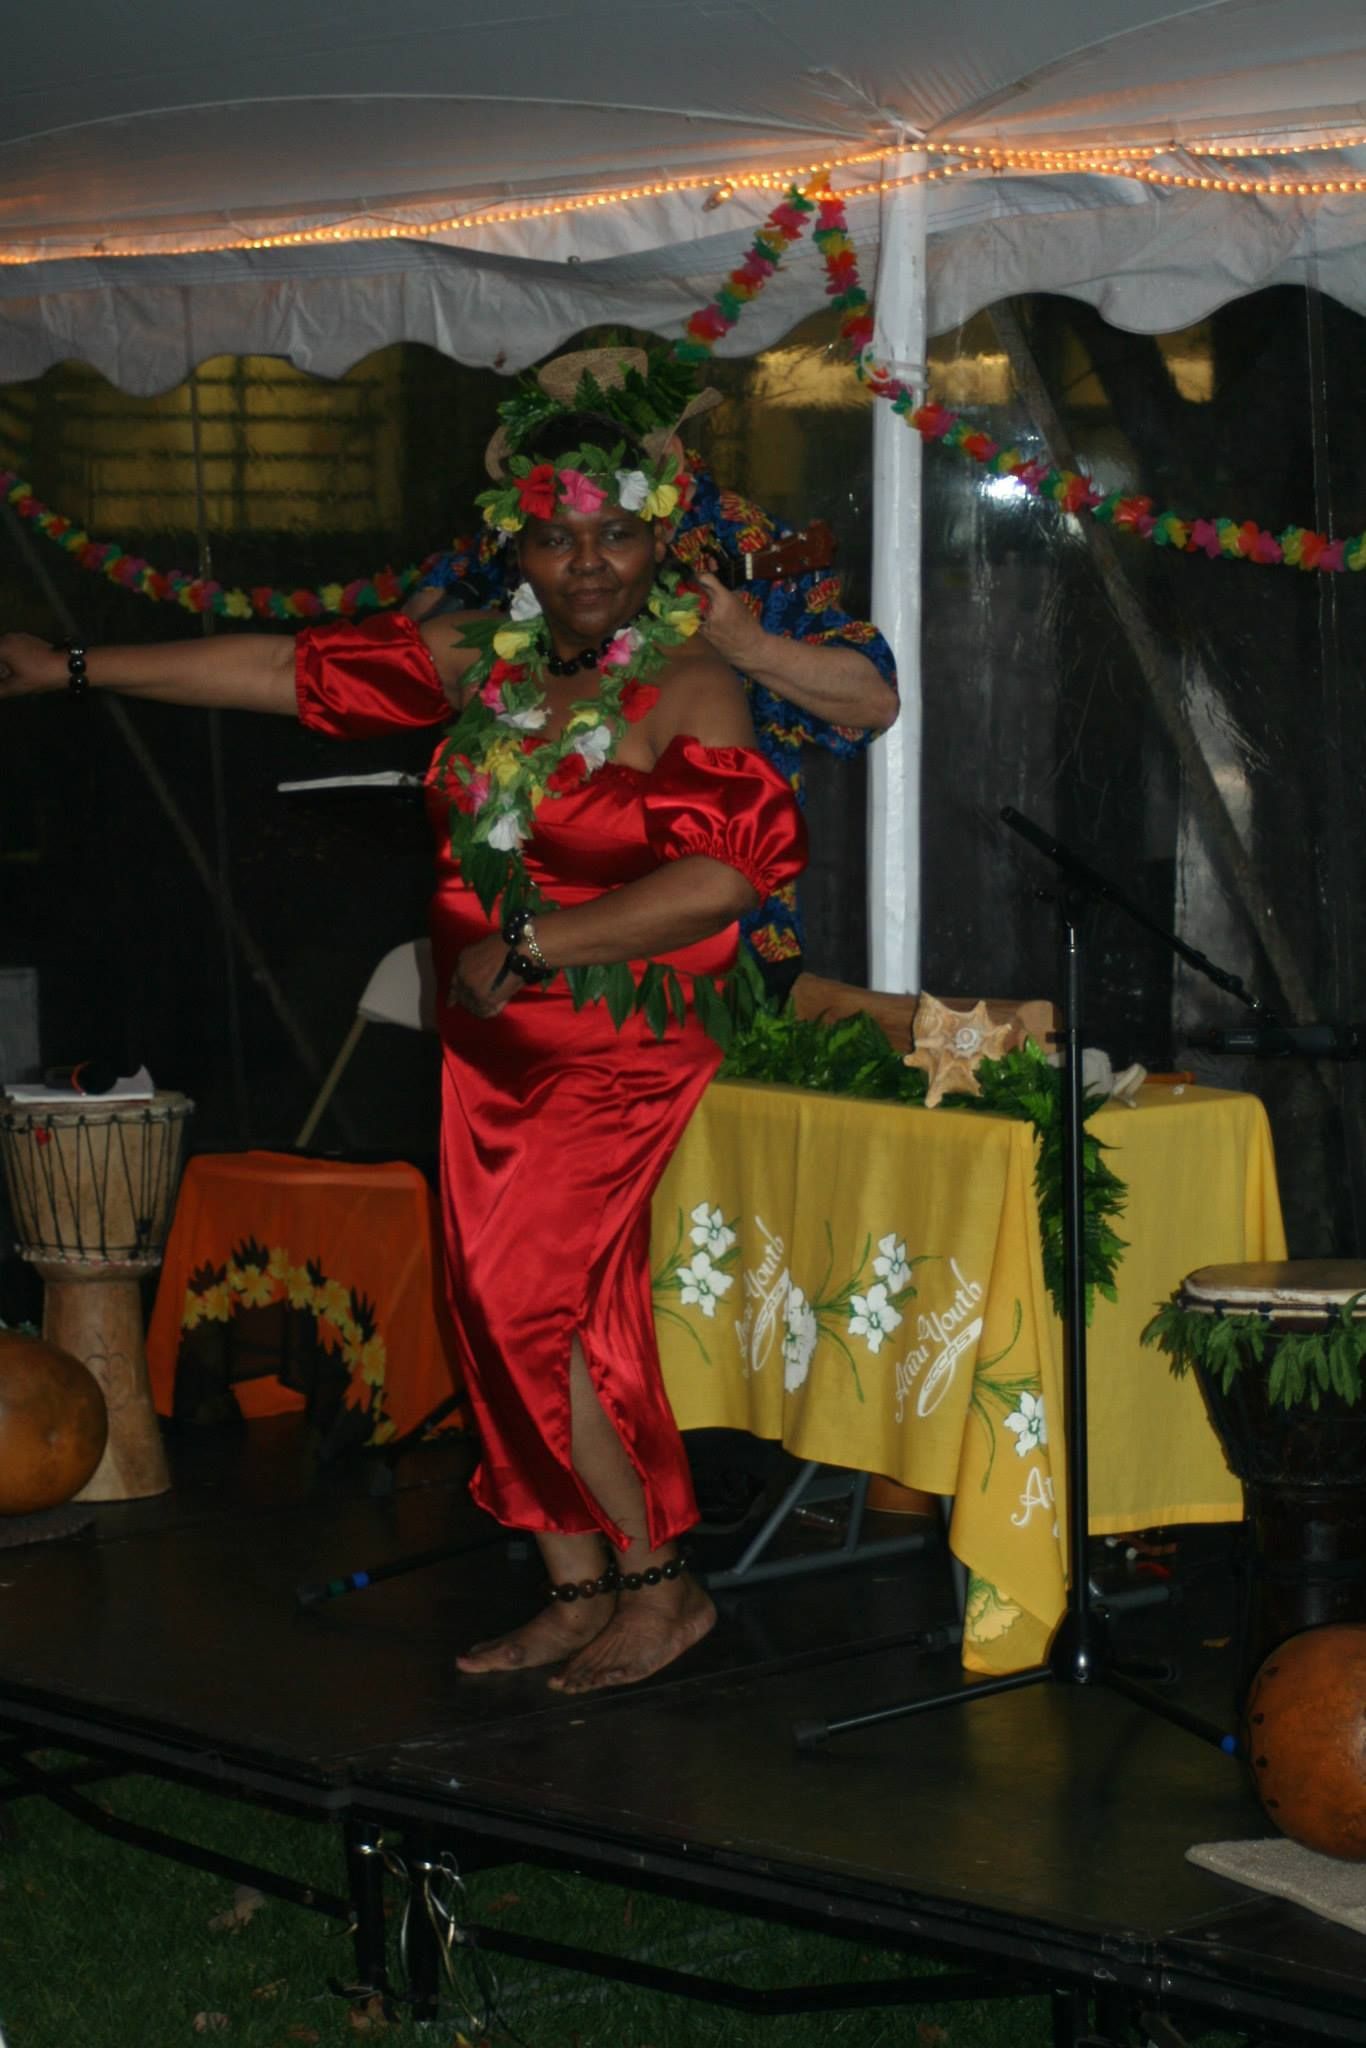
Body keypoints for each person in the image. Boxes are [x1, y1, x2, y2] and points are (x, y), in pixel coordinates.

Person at [0, 407, 806, 1696]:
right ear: (517, 547)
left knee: (522, 1309)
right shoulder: (481, 662)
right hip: (491, 1048)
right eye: (557, 536)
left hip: (609, 1044)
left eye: (614, 534)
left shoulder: (691, 682)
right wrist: (78, 667)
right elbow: (284, 671)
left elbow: (722, 879)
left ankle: (663, 1588)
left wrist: (540, 941)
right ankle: (577, 1583)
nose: (588, 562)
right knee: (524, 1316)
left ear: (660, 537)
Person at [408, 346, 897, 994]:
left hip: (709, 928)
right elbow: (414, 639)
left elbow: (874, 701)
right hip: (521, 909)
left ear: (665, 450)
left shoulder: (741, 538)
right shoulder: (527, 535)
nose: (590, 463)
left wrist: (748, 646)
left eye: (614, 445)